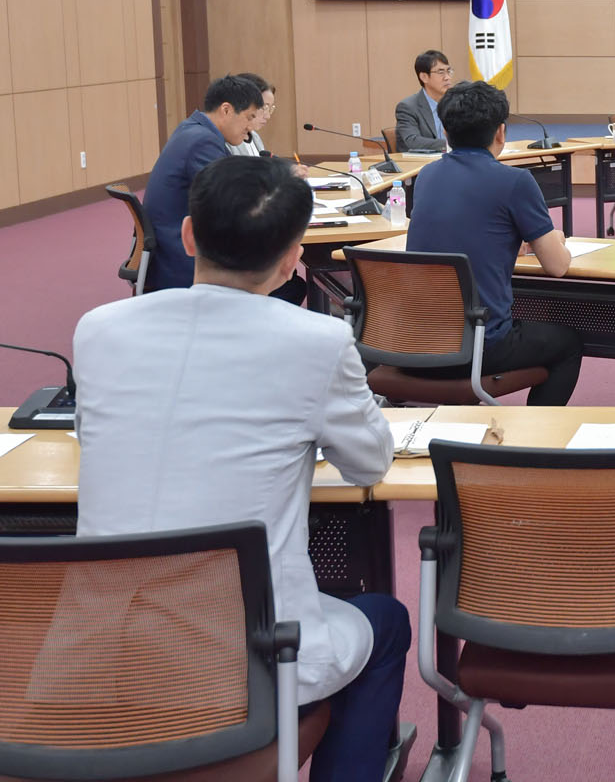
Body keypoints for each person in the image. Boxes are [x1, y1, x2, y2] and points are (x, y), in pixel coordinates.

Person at [74, 155, 409, 782]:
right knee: (385, 620)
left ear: (188, 235)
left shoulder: (99, 329)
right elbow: (370, 463)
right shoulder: (315, 340)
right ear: (291, 261)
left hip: (98, 659)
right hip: (236, 668)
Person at [406, 80, 584, 404]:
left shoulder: (426, 176)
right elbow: (557, 266)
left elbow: (465, 231)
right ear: (501, 132)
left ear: (445, 131)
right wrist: (556, 240)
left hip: (411, 342)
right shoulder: (515, 182)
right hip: (477, 347)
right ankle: (534, 436)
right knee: (568, 343)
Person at [144, 73, 263, 292]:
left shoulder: (193, 129)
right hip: (183, 258)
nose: (251, 127)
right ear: (226, 110)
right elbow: (231, 199)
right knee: (277, 276)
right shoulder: (202, 141)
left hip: (173, 247)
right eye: (249, 117)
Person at [394, 49, 453, 152]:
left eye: (448, 71)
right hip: (420, 161)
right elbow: (413, 141)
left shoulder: (454, 103)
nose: (447, 77)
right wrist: (452, 144)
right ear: (424, 77)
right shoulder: (408, 107)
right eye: (441, 72)